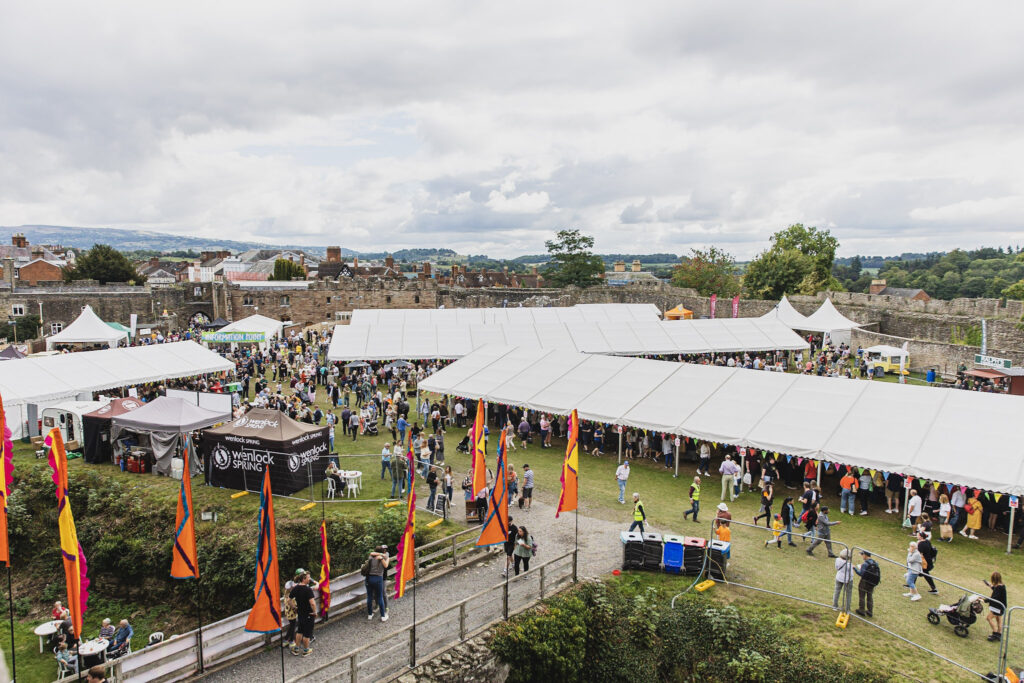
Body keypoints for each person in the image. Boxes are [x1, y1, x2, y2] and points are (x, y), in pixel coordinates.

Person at [289, 569, 317, 656]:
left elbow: (289, 600)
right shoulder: (308, 590)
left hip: (300, 613)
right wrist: (315, 612)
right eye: (308, 578)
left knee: (300, 631)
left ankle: (296, 649)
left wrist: (294, 607)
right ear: (304, 579)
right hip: (309, 614)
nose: (309, 579)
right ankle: (306, 650)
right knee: (307, 633)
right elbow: (312, 603)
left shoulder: (296, 588)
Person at [365, 546, 390, 622]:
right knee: (380, 597)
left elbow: (371, 553)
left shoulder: (371, 557)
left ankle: (370, 614)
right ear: (383, 552)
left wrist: (379, 554)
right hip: (378, 578)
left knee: (369, 597)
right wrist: (384, 557)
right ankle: (383, 616)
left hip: (369, 578)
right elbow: (386, 565)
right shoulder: (384, 558)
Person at [853, 550, 881, 618]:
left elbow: (861, 574)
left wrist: (855, 568)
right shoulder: (875, 563)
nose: (862, 556)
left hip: (864, 582)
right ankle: (870, 611)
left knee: (862, 595)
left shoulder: (865, 564)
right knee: (869, 596)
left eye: (862, 555)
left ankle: (861, 610)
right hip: (872, 583)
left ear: (865, 555)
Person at [984, 572, 1007, 642]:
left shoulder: (999, 588)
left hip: (997, 607)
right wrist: (990, 585)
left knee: (989, 618)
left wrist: (985, 600)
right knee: (998, 620)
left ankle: (995, 633)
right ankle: (999, 634)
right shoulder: (1002, 586)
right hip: (1001, 607)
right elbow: (996, 590)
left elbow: (994, 598)